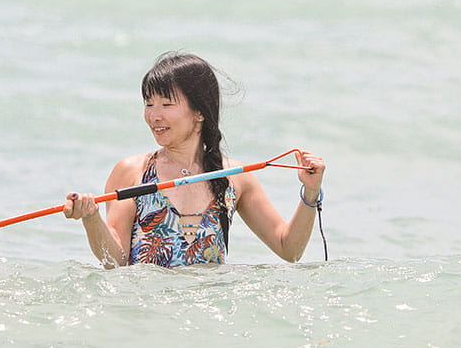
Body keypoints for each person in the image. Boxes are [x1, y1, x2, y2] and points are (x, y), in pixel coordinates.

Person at [62, 52, 325, 268]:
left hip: (206, 322)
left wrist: (310, 192)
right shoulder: (132, 172)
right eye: (148, 103)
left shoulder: (234, 177)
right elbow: (115, 261)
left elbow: (288, 249)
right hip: (146, 320)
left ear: (199, 112)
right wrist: (91, 218)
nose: (153, 115)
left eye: (166, 105)